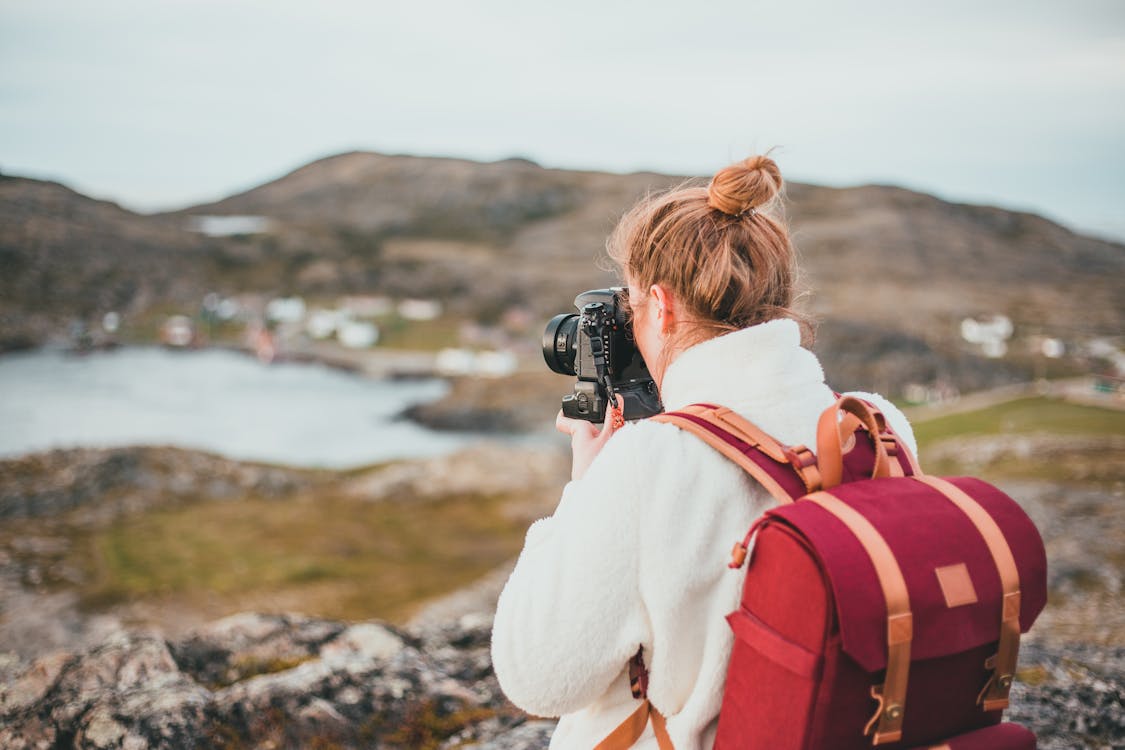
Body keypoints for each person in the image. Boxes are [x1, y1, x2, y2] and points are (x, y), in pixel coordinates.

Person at [490, 155, 917, 749]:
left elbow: (536, 677)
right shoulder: (873, 426)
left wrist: (584, 491)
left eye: (633, 308)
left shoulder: (650, 459)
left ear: (661, 307)